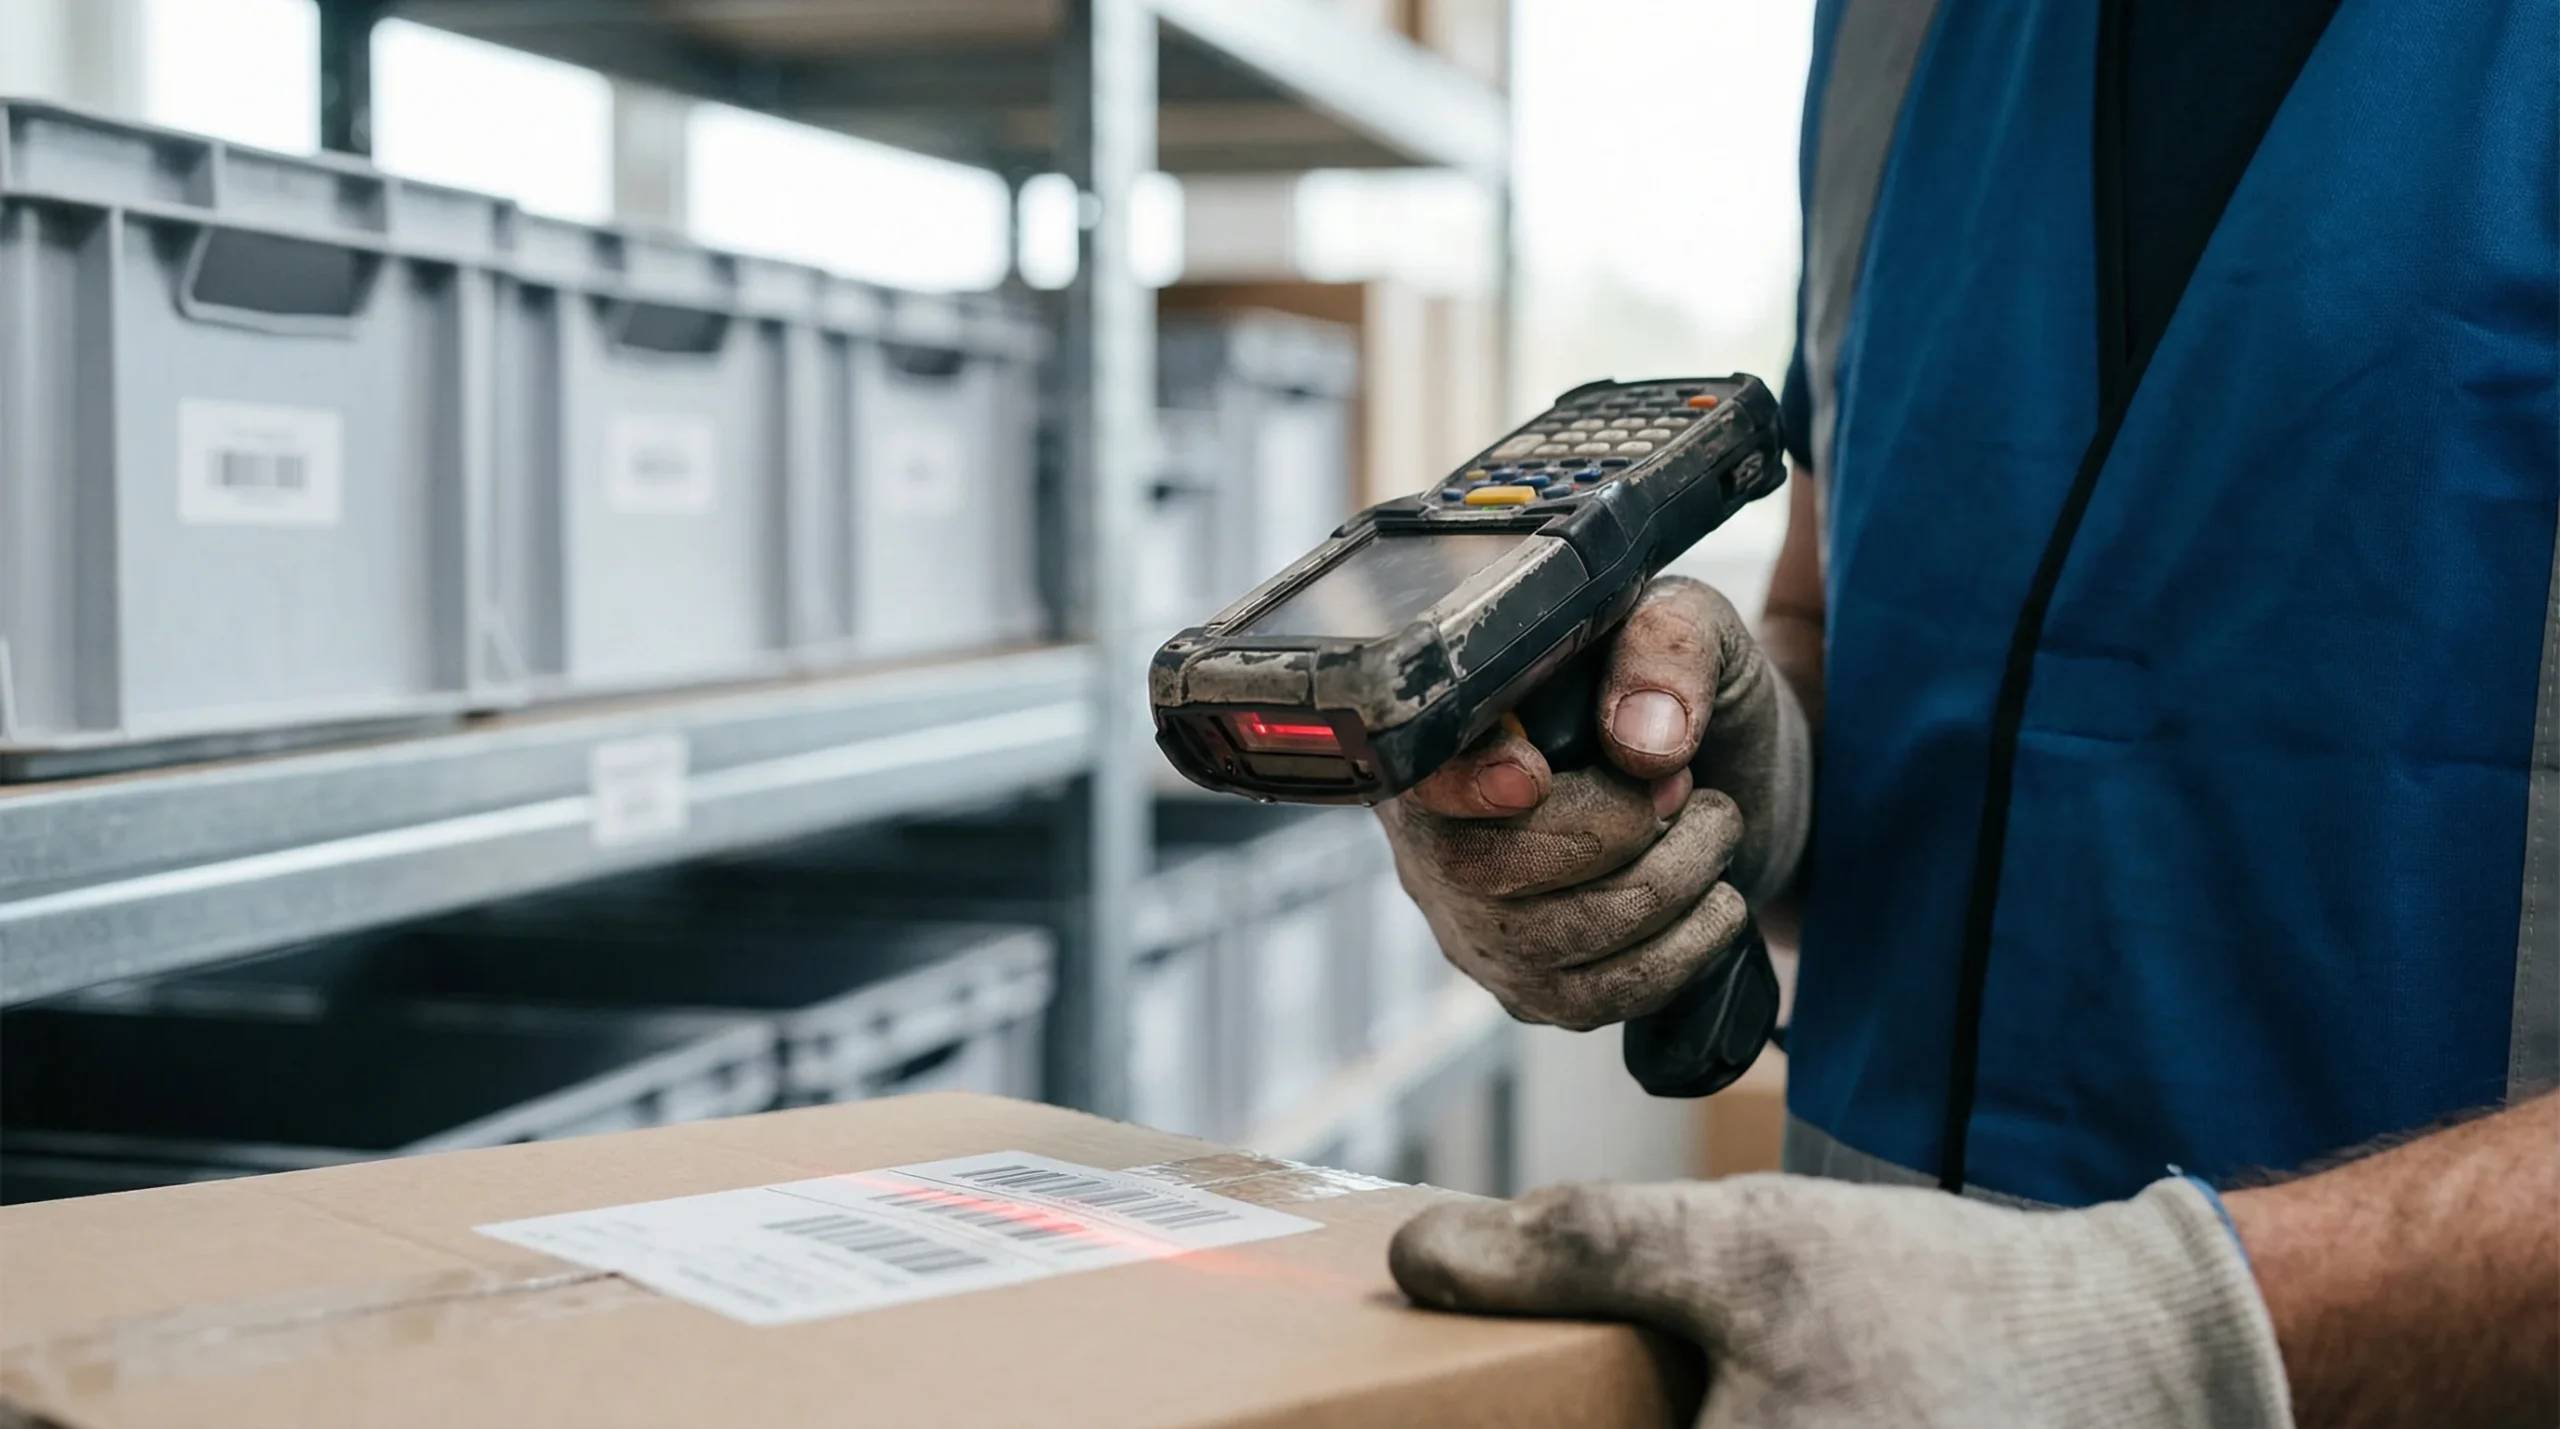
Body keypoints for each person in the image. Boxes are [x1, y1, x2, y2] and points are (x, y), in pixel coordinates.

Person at [1378, 2, 2558, 1424]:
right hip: (1859, 1360)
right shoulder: (1893, 23)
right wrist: (1736, 779)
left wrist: (2175, 1332)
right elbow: (1832, 613)